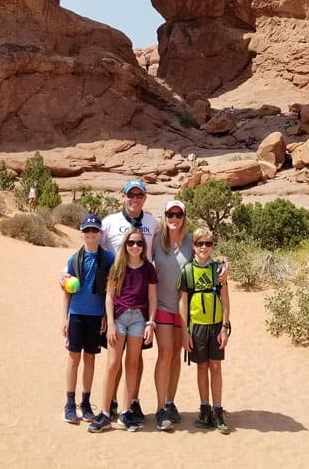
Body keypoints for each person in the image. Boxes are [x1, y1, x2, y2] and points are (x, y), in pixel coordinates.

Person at [98, 179, 159, 425]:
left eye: (139, 195)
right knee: (114, 358)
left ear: (145, 198)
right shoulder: (109, 222)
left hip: (141, 303)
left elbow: (163, 252)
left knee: (135, 358)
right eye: (130, 195)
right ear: (123, 196)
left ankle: (130, 402)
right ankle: (109, 403)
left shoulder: (152, 223)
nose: (134, 199)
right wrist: (67, 271)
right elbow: (94, 250)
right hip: (115, 299)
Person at [88, 228, 158, 433]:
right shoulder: (117, 266)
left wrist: (150, 323)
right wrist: (110, 322)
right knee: (112, 364)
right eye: (131, 243)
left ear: (143, 246)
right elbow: (109, 296)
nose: (135, 246)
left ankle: (126, 412)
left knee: (132, 364)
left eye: (139, 243)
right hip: (119, 318)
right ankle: (105, 412)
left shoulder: (148, 269)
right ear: (125, 245)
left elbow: (152, 298)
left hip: (138, 319)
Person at [61, 214, 114, 424]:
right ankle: (69, 403)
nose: (91, 234)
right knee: (74, 358)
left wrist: (105, 315)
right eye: (87, 231)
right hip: (76, 314)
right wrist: (64, 318)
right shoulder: (74, 259)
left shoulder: (108, 258)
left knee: (90, 358)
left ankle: (85, 402)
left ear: (100, 233)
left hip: (95, 316)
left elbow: (111, 288)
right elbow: (66, 290)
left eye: (94, 230)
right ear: (82, 234)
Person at [178, 227, 231, 433]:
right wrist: (185, 331)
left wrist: (225, 326)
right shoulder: (188, 271)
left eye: (208, 244)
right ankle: (204, 408)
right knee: (201, 367)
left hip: (216, 325)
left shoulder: (219, 270)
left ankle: (217, 410)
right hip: (197, 325)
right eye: (200, 243)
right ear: (193, 246)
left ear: (212, 246)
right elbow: (182, 302)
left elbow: (225, 298)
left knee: (215, 367)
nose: (204, 247)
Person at [151, 199, 192, 430]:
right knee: (165, 353)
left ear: (184, 217)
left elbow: (208, 257)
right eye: (170, 214)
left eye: (178, 214)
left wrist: (223, 267)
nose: (174, 218)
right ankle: (160, 409)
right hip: (162, 306)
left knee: (176, 354)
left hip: (183, 309)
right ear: (164, 216)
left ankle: (170, 401)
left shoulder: (190, 241)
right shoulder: (157, 241)